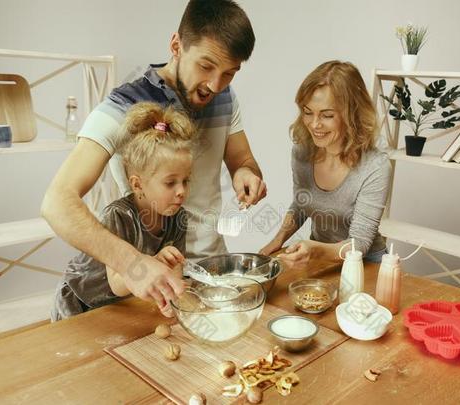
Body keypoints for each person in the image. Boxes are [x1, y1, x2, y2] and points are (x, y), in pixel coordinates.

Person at [41, 0, 266, 316]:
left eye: (229, 73)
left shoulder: (225, 98)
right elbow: (56, 202)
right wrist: (133, 264)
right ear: (176, 45)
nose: (216, 85)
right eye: (206, 66)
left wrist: (246, 172)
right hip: (146, 283)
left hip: (207, 272)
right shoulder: (123, 105)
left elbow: (243, 159)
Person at [51, 102, 194, 320]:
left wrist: (171, 298)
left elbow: (176, 270)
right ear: (137, 185)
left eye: (186, 181)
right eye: (170, 183)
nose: (181, 191)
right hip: (82, 301)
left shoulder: (177, 216)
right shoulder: (119, 216)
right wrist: (155, 262)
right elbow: (117, 284)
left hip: (118, 305)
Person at [260, 61, 391, 268]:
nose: (314, 124)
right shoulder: (302, 152)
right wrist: (278, 240)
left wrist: (314, 249)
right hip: (320, 261)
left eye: (327, 115)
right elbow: (302, 204)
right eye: (308, 112)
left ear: (352, 114)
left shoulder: (375, 166)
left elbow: (360, 244)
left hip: (365, 264)